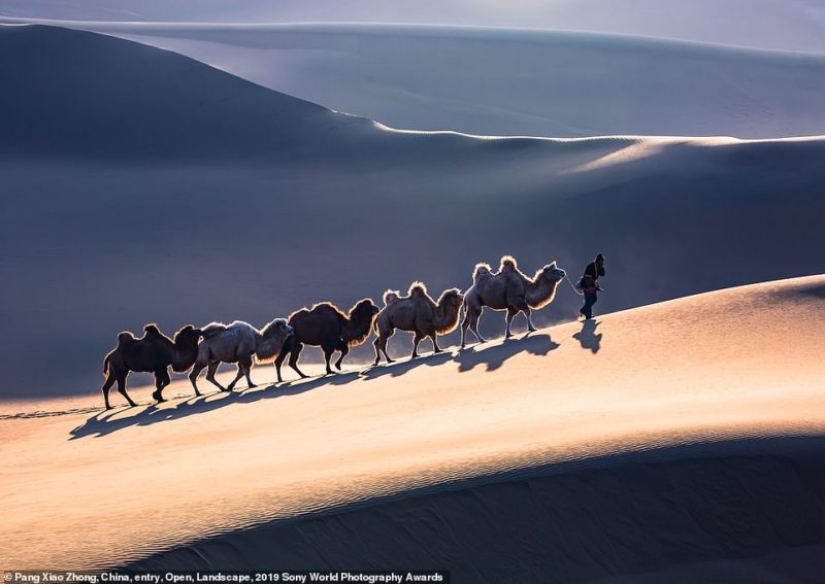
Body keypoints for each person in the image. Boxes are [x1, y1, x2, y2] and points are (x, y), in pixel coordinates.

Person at [579, 253, 605, 320]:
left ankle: (585, 310)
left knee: (594, 298)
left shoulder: (598, 267)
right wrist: (589, 288)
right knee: (589, 299)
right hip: (586, 285)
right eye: (601, 261)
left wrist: (601, 267)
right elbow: (587, 278)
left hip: (592, 285)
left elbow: (603, 274)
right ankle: (588, 314)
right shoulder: (590, 267)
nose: (602, 263)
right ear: (598, 261)